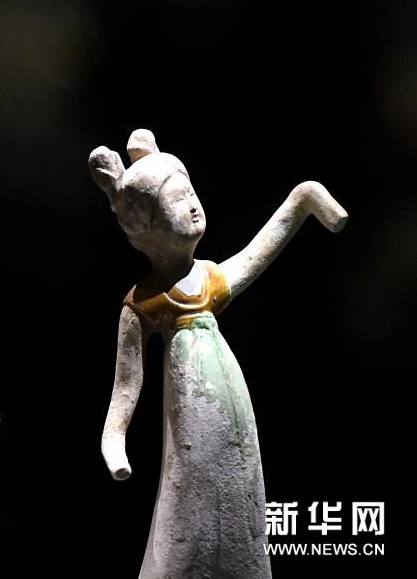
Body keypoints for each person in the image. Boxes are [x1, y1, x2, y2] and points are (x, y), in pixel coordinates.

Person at [88, 129, 347, 578]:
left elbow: (259, 251)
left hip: (233, 409)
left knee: (240, 489)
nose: (192, 205)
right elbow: (127, 385)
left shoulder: (208, 279)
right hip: (191, 418)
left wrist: (303, 199)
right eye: (176, 200)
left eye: (190, 193)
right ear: (144, 226)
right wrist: (114, 440)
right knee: (190, 493)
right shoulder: (143, 304)